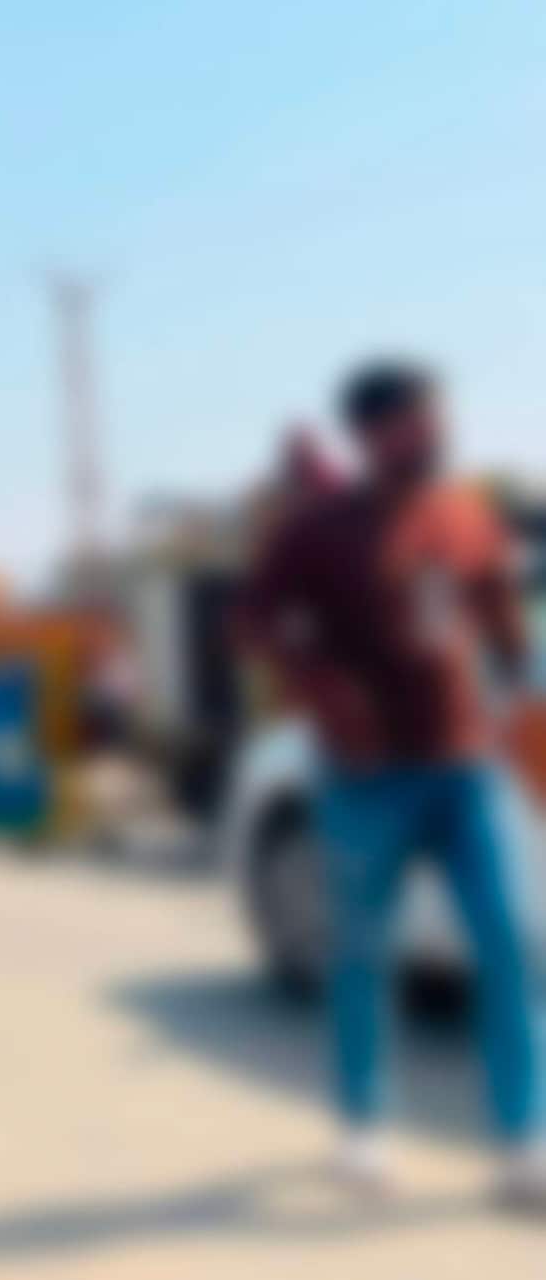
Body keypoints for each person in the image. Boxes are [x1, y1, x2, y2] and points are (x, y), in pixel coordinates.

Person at [239, 362, 546, 1206]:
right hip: (365, 778)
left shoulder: (466, 512)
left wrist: (526, 703)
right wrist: (322, 690)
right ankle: (363, 1128)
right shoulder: (318, 527)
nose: (433, 434)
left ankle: (525, 1141)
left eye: (436, 417)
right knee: (362, 954)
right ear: (370, 434)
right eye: (414, 422)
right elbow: (252, 619)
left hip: (465, 767)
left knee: (504, 947)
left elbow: (499, 611)